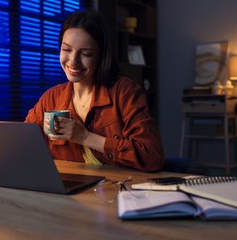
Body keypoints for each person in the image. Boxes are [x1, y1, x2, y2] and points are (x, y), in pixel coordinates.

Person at [25, 9, 164, 172]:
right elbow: (22, 143)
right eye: (67, 50)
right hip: (70, 191)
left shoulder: (124, 91)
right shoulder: (52, 97)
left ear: (101, 56)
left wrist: (86, 137)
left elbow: (152, 156)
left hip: (119, 191)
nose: (73, 61)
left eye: (86, 53)